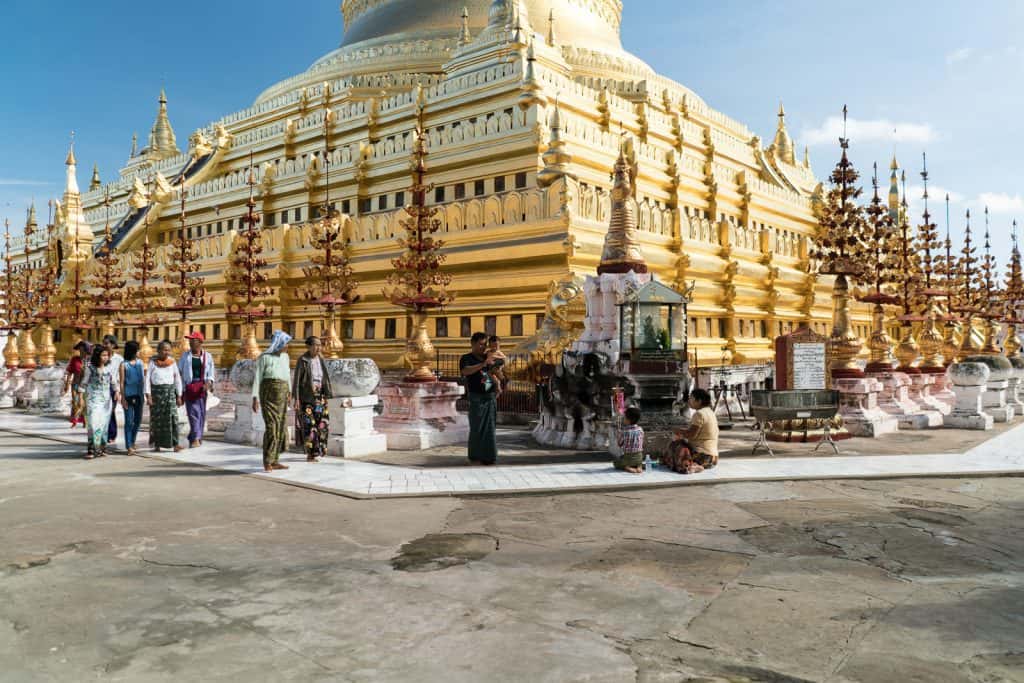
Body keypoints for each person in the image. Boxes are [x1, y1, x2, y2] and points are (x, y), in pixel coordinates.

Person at [253, 330, 293, 473]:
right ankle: (267, 461)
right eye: (285, 344)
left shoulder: (286, 357)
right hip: (268, 395)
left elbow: (287, 375)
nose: (287, 347)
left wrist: (289, 392)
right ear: (279, 343)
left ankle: (275, 460)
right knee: (272, 427)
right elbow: (258, 377)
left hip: (282, 395)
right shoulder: (264, 358)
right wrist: (255, 397)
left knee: (281, 426)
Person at [460, 332, 499, 465]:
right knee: (476, 427)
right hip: (476, 397)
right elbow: (465, 371)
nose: (483, 347)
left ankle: (489, 456)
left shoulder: (488, 357)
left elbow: (496, 373)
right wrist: (482, 364)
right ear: (473, 343)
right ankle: (475, 455)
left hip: (490, 396)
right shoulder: (466, 358)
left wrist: (498, 378)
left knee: (490, 427)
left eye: (484, 344)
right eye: (480, 344)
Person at [292, 336, 333, 462]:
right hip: (307, 398)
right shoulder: (303, 360)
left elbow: (325, 378)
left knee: (322, 425)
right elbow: (297, 381)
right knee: (310, 426)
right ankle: (311, 453)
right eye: (315, 345)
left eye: (320, 345)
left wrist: (327, 394)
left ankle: (320, 450)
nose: (318, 348)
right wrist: (297, 399)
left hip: (320, 398)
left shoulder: (321, 359)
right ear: (308, 346)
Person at [662, 388, 719, 474]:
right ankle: (694, 464)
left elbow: (691, 434)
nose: (689, 401)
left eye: (691, 398)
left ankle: (689, 466)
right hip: (713, 459)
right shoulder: (710, 412)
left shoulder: (699, 414)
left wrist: (677, 430)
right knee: (681, 443)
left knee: (677, 445)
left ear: (699, 401)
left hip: (702, 456)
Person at [78, 345, 120, 459]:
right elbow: (84, 383)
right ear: (97, 356)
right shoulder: (90, 368)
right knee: (93, 423)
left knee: (104, 424)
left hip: (106, 400)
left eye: (107, 355)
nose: (106, 357)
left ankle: (102, 449)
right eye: (103, 355)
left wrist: (116, 392)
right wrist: (81, 398)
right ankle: (91, 449)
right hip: (93, 399)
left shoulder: (109, 368)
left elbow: (114, 382)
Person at [178, 331, 215, 448]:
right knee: (193, 413)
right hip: (189, 386)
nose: (190, 342)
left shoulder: (207, 356)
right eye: (190, 340)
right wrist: (179, 390)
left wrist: (209, 383)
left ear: (199, 342)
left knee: (201, 413)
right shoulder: (185, 356)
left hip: (202, 387)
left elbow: (211, 372)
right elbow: (179, 371)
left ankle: (194, 436)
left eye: (193, 340)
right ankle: (196, 438)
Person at [146, 340, 184, 453]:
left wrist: (179, 395)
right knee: (157, 420)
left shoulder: (172, 362)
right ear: (158, 351)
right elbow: (147, 379)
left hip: (170, 394)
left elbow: (177, 379)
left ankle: (175, 444)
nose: (166, 352)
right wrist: (148, 396)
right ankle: (157, 444)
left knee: (173, 419)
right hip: (156, 394)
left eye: (168, 350)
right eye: (164, 350)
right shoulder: (152, 362)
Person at [119, 341, 146, 455]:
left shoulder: (140, 363)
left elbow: (143, 379)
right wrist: (123, 398)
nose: (139, 352)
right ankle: (129, 445)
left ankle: (133, 441)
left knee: (138, 420)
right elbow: (121, 383)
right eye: (137, 349)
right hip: (128, 395)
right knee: (129, 421)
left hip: (139, 395)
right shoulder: (123, 364)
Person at [101, 335, 124, 445]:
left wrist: (118, 391)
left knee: (110, 411)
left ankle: (111, 433)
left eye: (107, 343)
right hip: (100, 387)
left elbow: (120, 376)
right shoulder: (100, 357)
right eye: (103, 343)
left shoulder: (119, 359)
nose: (104, 345)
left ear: (113, 345)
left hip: (113, 387)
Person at [62, 341, 90, 427]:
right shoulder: (75, 359)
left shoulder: (90, 361)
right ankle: (75, 418)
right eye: (80, 350)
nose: (82, 353)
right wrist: (67, 384)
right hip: (75, 383)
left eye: (83, 351)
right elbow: (69, 372)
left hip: (86, 385)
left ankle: (84, 420)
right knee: (75, 401)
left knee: (84, 403)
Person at [614, 406, 645, 474]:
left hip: (628, 457)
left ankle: (627, 467)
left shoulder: (624, 431)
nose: (623, 419)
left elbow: (619, 444)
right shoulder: (640, 429)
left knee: (616, 462)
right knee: (638, 460)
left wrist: (618, 435)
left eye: (624, 417)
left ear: (628, 420)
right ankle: (639, 466)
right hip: (639, 456)